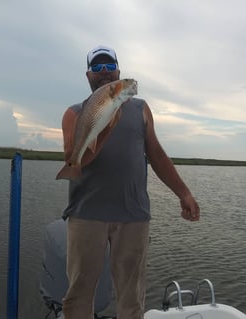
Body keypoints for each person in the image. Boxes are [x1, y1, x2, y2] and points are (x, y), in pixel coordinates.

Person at [59, 45, 200, 319]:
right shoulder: (74, 113)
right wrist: (106, 124)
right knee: (78, 295)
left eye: (109, 66)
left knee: (132, 297)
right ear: (88, 75)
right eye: (96, 68)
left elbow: (156, 155)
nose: (104, 72)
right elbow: (74, 162)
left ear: (118, 72)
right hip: (87, 214)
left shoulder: (140, 109)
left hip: (133, 215)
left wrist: (184, 193)